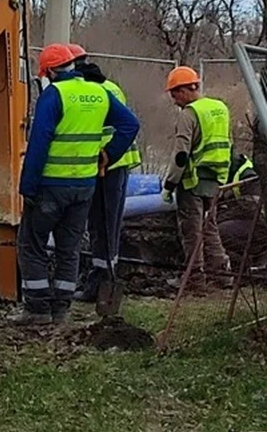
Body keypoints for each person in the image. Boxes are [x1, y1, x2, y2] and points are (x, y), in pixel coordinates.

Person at [14, 44, 140, 325]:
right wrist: (108, 154)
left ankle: (37, 310)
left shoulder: (54, 95)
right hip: (84, 187)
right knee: (68, 249)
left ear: (47, 71)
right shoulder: (100, 92)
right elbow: (130, 124)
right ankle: (61, 310)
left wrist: (28, 187)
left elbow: (39, 143)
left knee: (31, 244)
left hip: (50, 185)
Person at [67, 44, 143, 303]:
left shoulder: (92, 91)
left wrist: (103, 158)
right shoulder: (110, 87)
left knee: (103, 224)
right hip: (113, 164)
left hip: (106, 165)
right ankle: (102, 277)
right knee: (104, 224)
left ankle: (102, 282)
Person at [161, 66, 232, 292]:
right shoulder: (219, 107)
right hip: (217, 178)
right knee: (210, 227)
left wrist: (170, 183)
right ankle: (222, 274)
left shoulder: (189, 114)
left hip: (192, 181)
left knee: (192, 230)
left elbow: (181, 155)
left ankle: (194, 280)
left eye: (174, 94)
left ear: (184, 90)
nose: (174, 100)